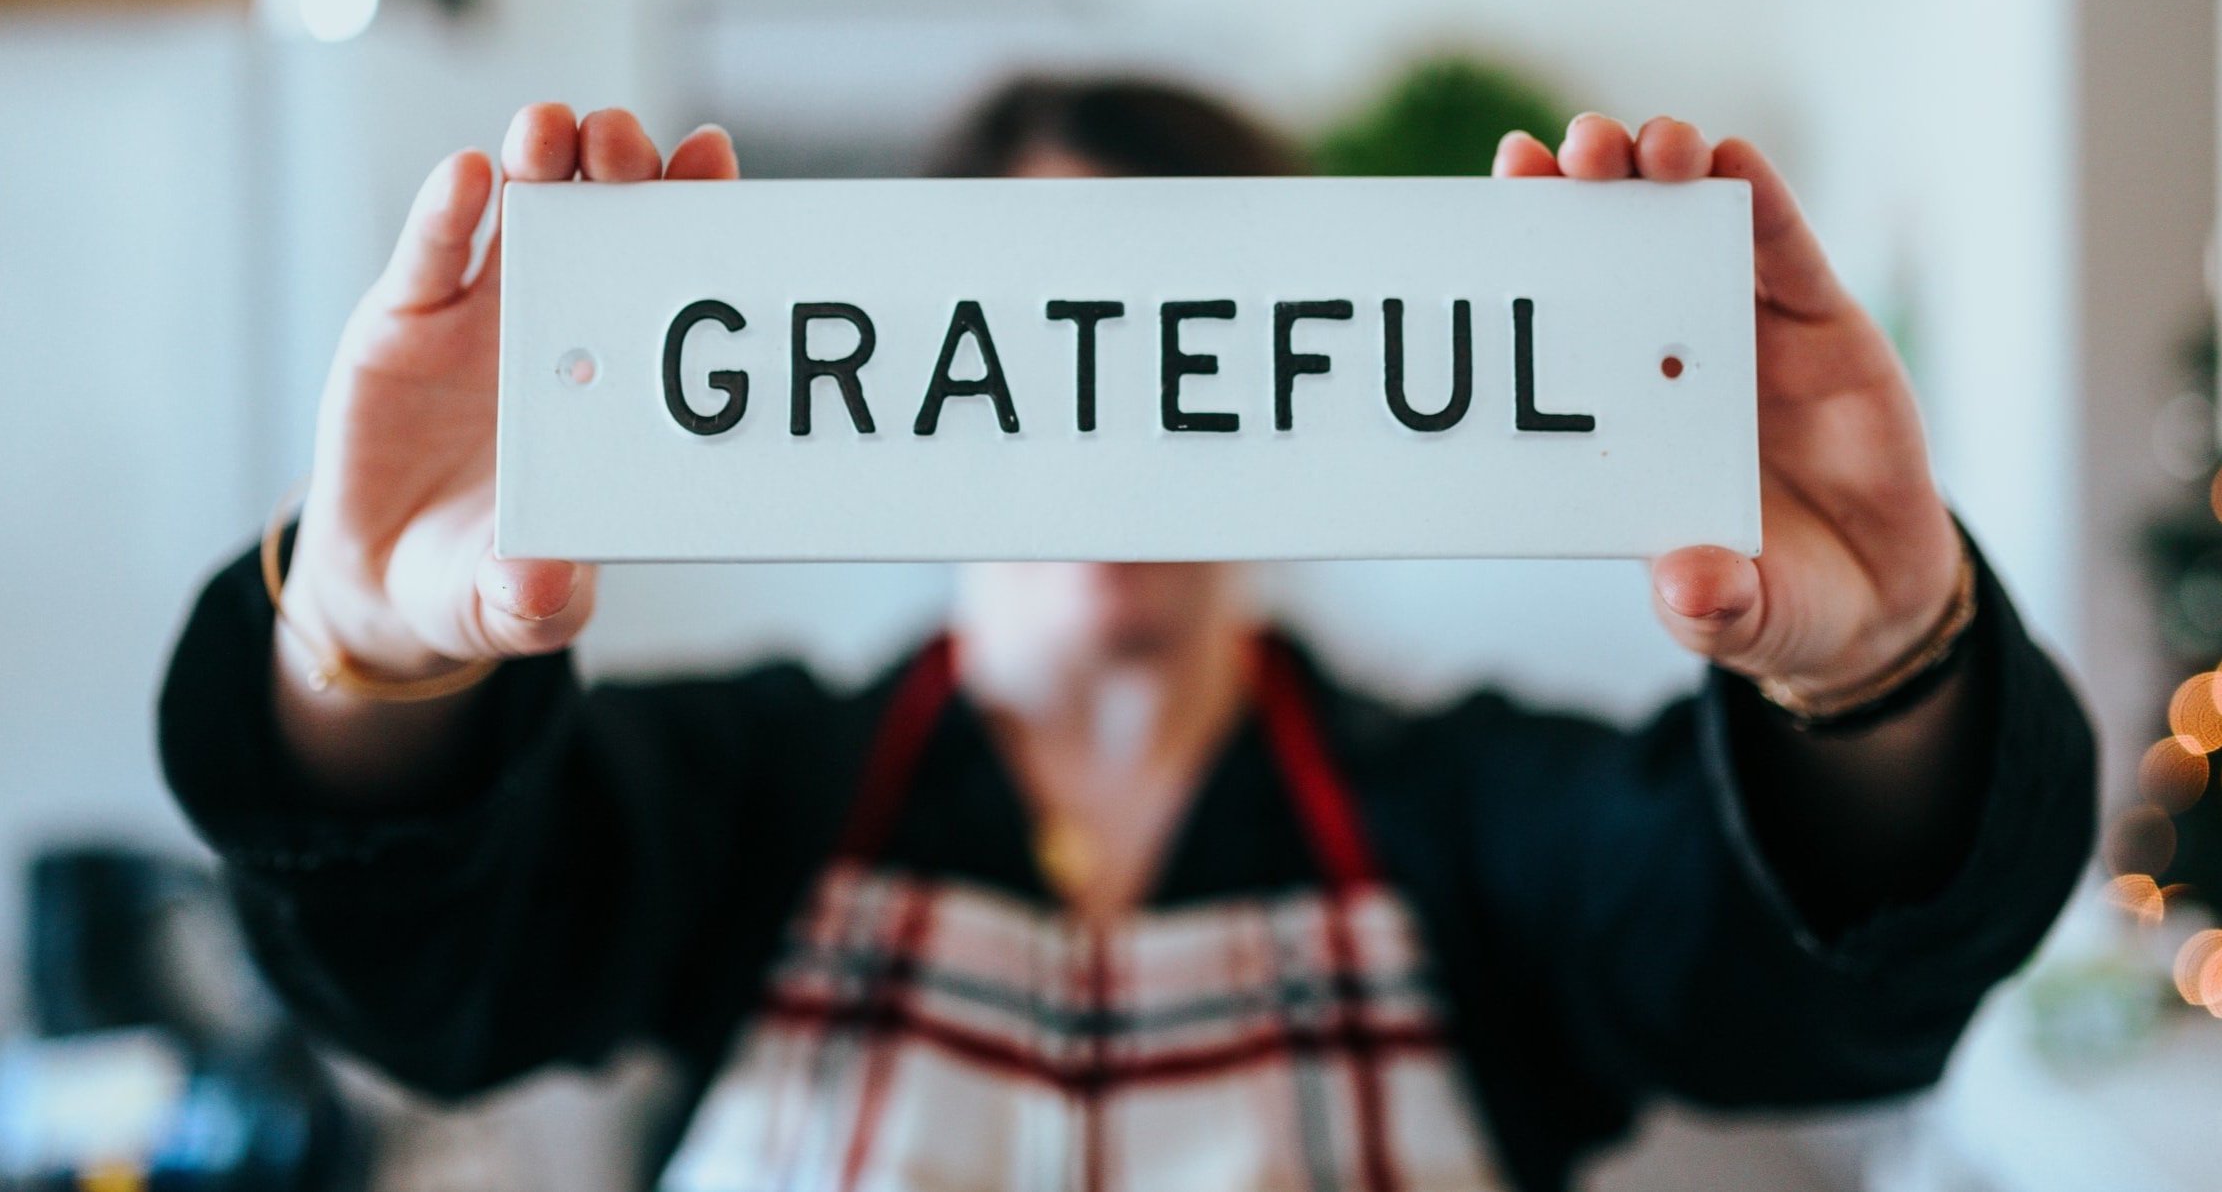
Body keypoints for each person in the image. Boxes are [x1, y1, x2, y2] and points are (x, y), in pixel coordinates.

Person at [159, 78, 2095, 1192]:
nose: (1124, 428)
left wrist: (1880, 668)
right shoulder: (745, 785)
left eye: (1197, 343)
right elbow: (427, 971)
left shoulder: (1473, 812)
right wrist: (368, 651)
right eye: (1058, 332)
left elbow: (1795, 993)